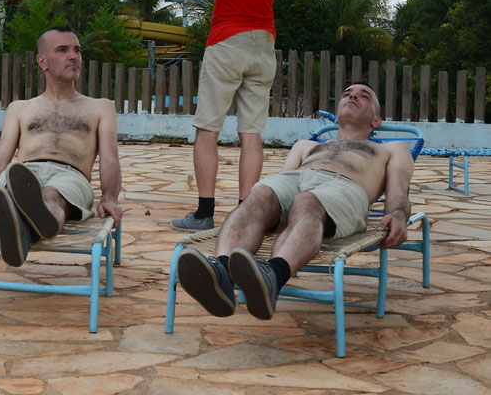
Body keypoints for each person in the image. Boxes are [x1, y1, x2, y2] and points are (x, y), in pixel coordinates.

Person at [177, 83, 413, 320]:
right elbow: (281, 189)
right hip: (297, 179)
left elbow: (398, 193)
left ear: (376, 120)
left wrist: (399, 214)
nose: (353, 96)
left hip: (346, 187)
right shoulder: (305, 146)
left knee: (306, 201)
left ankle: (275, 275)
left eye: (364, 96)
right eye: (347, 93)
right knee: (260, 195)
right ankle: (221, 273)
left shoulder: (392, 149)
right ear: (337, 113)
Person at [173, 0, 288, 231]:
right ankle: (245, 215)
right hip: (263, 43)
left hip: (226, 40)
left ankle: (205, 213)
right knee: (251, 133)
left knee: (208, 129)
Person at [0, 26, 123, 267]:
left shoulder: (100, 107)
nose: (74, 56)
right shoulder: (20, 108)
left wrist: (109, 197)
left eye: (77, 50)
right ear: (42, 61)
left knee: (51, 196)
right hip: (23, 175)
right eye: (63, 50)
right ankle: (20, 220)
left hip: (71, 177)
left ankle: (19, 227)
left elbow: (110, 159)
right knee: (10, 185)